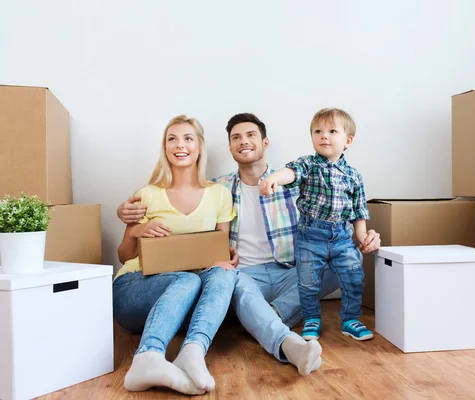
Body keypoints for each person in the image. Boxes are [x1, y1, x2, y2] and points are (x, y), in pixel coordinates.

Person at [117, 113, 381, 376]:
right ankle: (282, 338)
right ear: (230, 147)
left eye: (251, 135)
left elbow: (337, 221)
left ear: (265, 143)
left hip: (290, 271)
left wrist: (365, 237)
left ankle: (266, 315)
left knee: (344, 261)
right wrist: (129, 219)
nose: (244, 141)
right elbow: (194, 234)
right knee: (229, 279)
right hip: (244, 275)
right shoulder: (218, 188)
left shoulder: (300, 184)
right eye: (236, 138)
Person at [113, 115, 238, 395]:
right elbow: (123, 256)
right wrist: (138, 230)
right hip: (135, 290)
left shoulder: (219, 194)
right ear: (165, 148)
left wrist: (226, 258)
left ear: (200, 147)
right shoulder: (146, 194)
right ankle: (148, 355)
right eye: (172, 138)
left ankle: (192, 352)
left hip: (184, 303)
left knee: (225, 273)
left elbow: (219, 250)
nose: (180, 145)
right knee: (186, 280)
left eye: (188, 138)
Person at [259, 108, 374, 342]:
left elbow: (359, 210)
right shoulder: (308, 165)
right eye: (318, 131)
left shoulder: (354, 176)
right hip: (311, 237)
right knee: (308, 283)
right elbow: (290, 173)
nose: (324, 136)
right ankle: (311, 318)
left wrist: (361, 235)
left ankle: (351, 319)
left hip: (342, 237)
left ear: (348, 141)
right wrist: (274, 179)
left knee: (353, 278)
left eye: (332, 131)